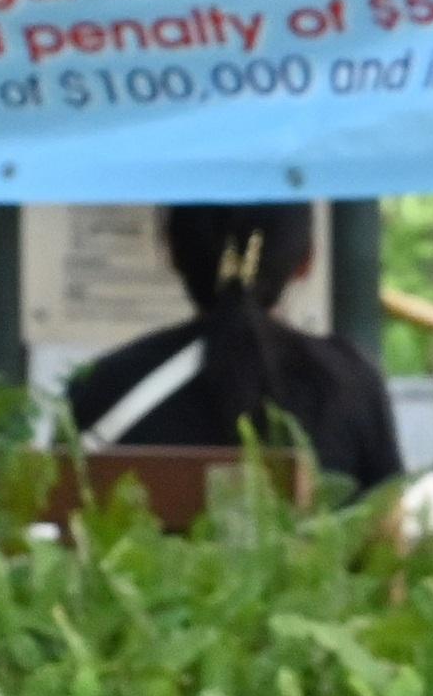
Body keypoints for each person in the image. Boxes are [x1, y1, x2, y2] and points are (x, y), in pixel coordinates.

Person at [63, 201, 405, 490]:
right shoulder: (349, 385)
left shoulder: (101, 386)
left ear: (170, 250)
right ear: (307, 260)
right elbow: (387, 547)